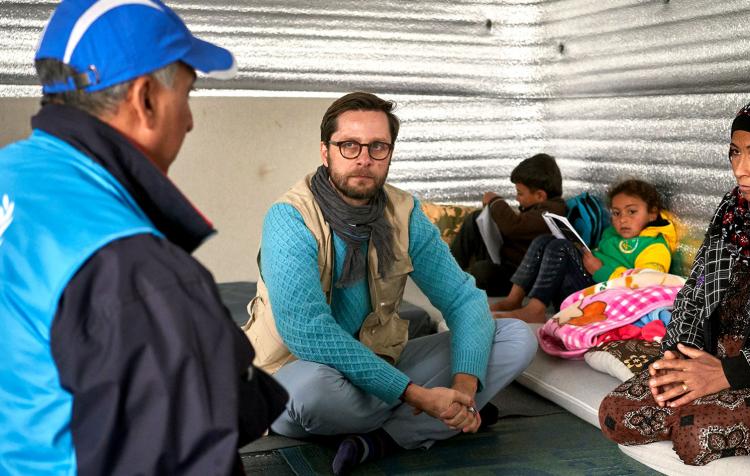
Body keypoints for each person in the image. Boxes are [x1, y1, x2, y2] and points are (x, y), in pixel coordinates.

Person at [0, 1, 287, 474]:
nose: (191, 121)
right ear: (146, 99)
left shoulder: (12, 174)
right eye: (189, 95)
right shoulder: (135, 274)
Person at [243, 92, 538, 475]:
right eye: (349, 145)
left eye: (378, 147)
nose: (364, 158)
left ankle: (378, 440)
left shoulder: (404, 213)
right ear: (325, 151)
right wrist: (418, 396)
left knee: (515, 336)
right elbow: (306, 331)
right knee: (311, 392)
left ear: (390, 153)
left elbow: (463, 300)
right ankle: (421, 421)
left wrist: (464, 390)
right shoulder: (289, 217)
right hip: (296, 371)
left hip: (380, 364)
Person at [597, 93, 750, 465]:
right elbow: (696, 291)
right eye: (735, 151)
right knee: (617, 414)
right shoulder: (734, 210)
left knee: (695, 434)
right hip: (712, 361)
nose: (740, 169)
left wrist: (730, 373)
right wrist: (678, 361)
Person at [492, 179, 676, 323]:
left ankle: (535, 310)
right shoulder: (612, 233)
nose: (622, 220)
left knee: (561, 247)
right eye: (616, 213)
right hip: (580, 290)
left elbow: (647, 284)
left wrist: (601, 271)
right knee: (544, 240)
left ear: (652, 213)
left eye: (632, 212)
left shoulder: (654, 246)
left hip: (602, 298)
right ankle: (514, 298)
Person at [450, 153, 566, 296]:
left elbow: (514, 226)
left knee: (481, 271)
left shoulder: (552, 213)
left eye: (520, 193)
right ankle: (448, 271)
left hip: (519, 276)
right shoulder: (539, 207)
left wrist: (495, 201)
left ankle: (455, 278)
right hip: (504, 260)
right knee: (476, 218)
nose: (517, 198)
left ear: (540, 196)